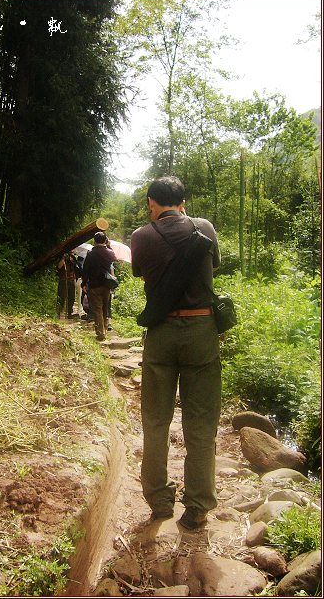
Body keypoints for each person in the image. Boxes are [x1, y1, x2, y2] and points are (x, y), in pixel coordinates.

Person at [130, 175, 221, 530]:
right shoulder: (205, 228)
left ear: (153, 202)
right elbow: (211, 268)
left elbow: (141, 274)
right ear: (182, 202)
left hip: (161, 332)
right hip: (201, 330)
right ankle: (197, 507)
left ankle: (159, 501)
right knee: (200, 423)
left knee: (155, 420)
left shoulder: (141, 236)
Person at [81, 232, 116, 341]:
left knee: (97, 309)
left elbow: (85, 270)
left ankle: (101, 333)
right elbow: (113, 265)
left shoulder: (90, 254)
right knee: (105, 307)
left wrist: (84, 283)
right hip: (107, 284)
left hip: (94, 285)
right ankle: (105, 328)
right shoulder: (110, 253)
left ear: (95, 241)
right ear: (105, 240)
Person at [56, 252, 77, 319]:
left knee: (72, 297)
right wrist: (63, 258)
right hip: (63, 279)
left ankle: (69, 312)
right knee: (61, 296)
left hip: (71, 279)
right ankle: (59, 312)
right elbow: (59, 266)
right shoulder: (62, 256)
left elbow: (75, 267)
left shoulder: (73, 258)